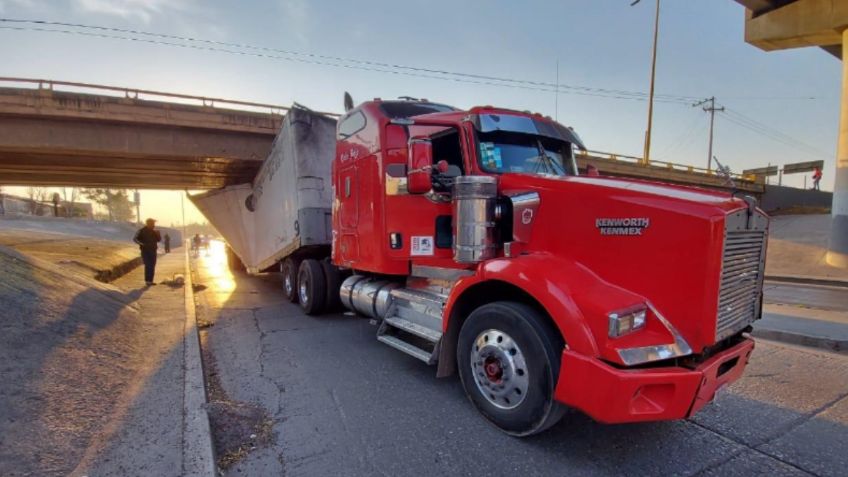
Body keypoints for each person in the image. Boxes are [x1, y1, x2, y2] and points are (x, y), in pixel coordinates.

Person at [134, 218, 162, 286]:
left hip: (153, 251)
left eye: (154, 224)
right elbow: (135, 239)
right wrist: (143, 244)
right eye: (152, 223)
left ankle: (150, 281)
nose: (154, 225)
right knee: (148, 265)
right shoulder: (141, 231)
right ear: (148, 224)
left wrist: (158, 234)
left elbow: (158, 240)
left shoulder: (154, 231)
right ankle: (147, 281)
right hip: (145, 251)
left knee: (152, 265)